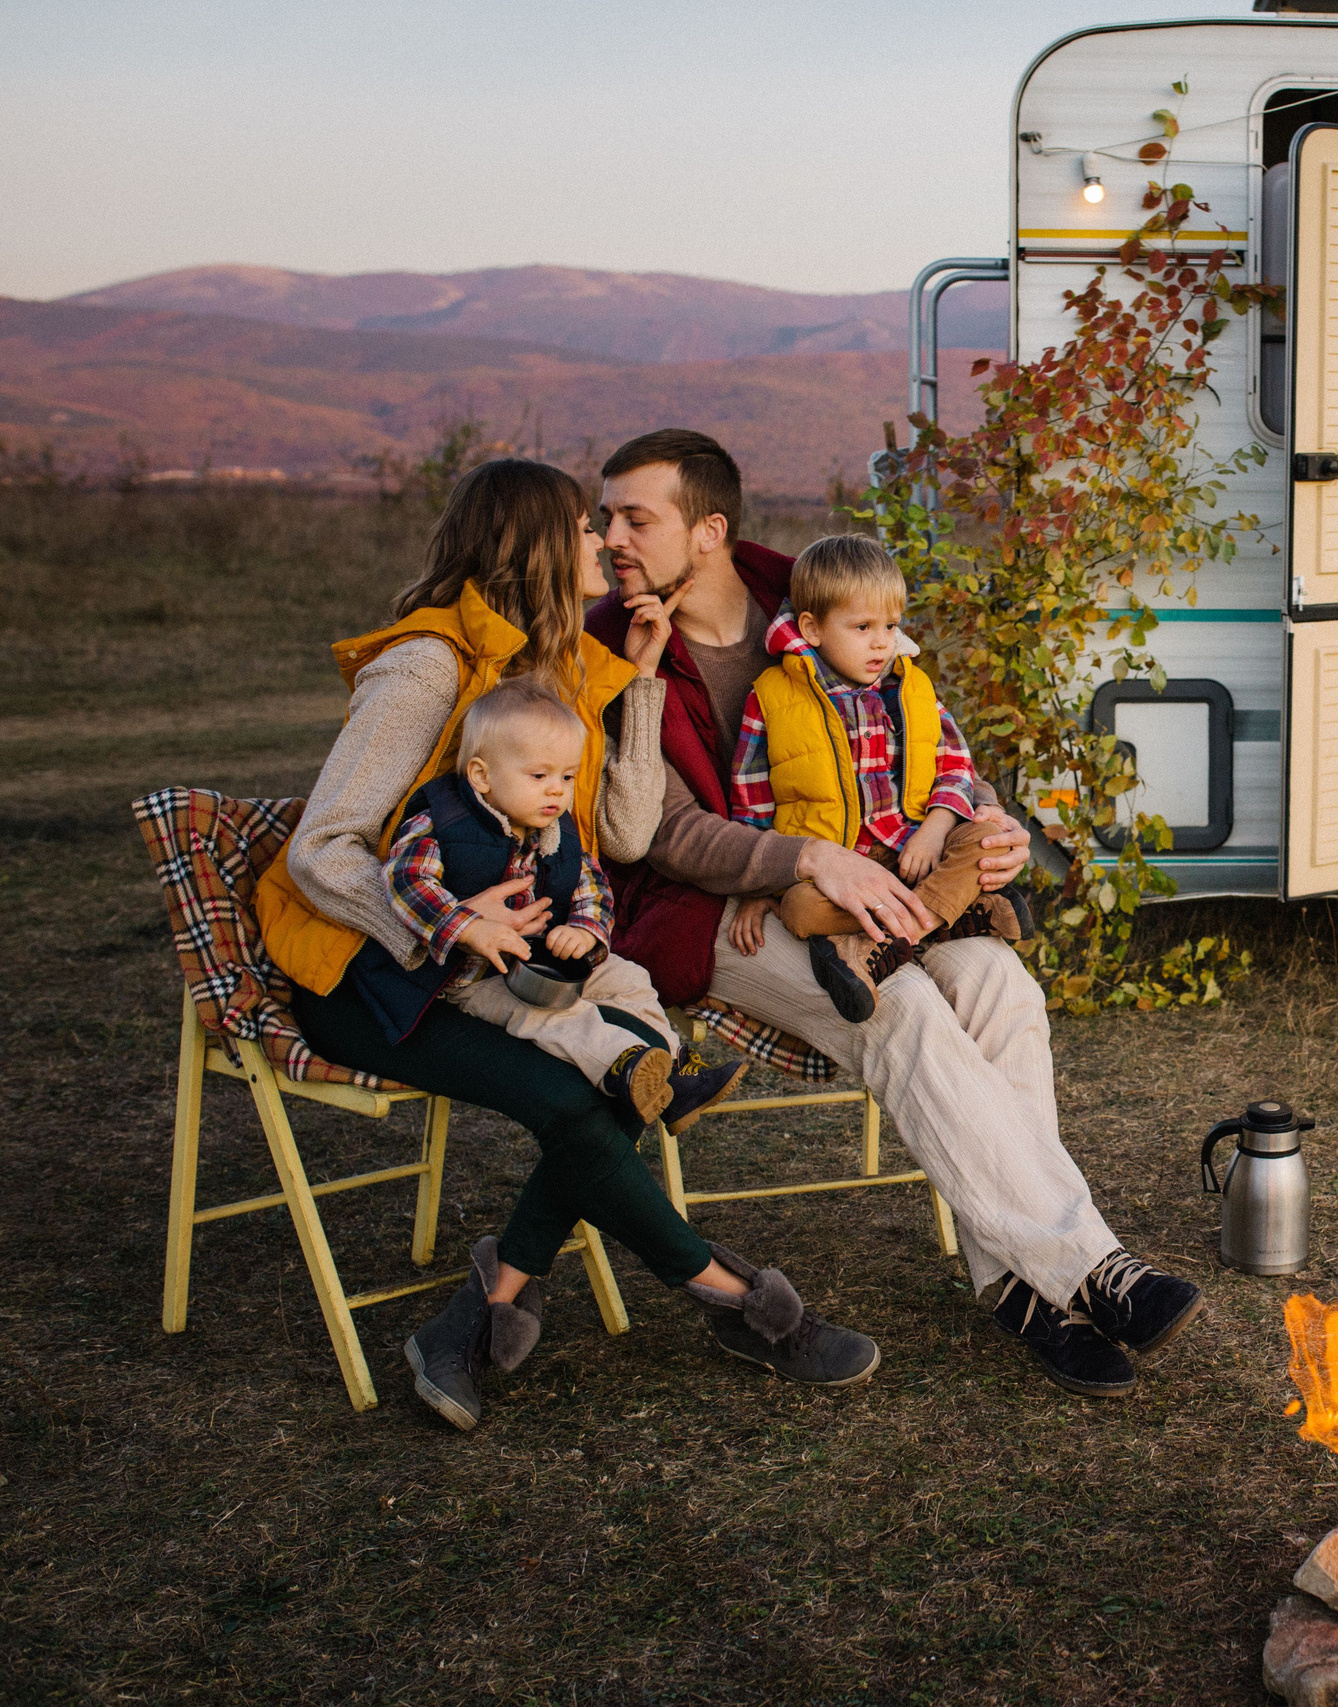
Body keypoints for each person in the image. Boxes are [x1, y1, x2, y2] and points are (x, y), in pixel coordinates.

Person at [258, 457, 878, 1433]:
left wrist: (634, 689)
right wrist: (458, 933)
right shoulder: (428, 666)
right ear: (538, 548)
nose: (603, 542)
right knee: (581, 1095)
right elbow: (321, 851)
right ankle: (735, 1298)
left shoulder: (555, 675)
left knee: (611, 1074)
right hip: (372, 972)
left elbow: (623, 836)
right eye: (585, 529)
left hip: (509, 966)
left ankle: (488, 1303)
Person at [586, 429, 1202, 1401]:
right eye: (605, 516)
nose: (610, 535)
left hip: (887, 879)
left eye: (634, 517)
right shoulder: (614, 645)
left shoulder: (812, 592)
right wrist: (795, 860)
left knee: (999, 981)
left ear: (707, 531)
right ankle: (1090, 1268)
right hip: (723, 910)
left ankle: (1021, 1287)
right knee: (902, 1006)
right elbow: (656, 832)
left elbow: (918, 725)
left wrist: (982, 814)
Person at [360, 675, 748, 1131]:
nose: (556, 791)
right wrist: (468, 927)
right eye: (539, 776)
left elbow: (593, 888)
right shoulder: (442, 824)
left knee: (630, 977)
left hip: (546, 965)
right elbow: (406, 881)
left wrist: (584, 930)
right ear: (482, 776)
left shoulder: (556, 832)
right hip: (474, 979)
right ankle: (624, 1069)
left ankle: (676, 1070)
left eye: (567, 777)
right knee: (552, 1016)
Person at [728, 534, 1023, 1027]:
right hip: (839, 873)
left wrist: (935, 826)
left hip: (916, 852)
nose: (882, 641)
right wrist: (758, 887)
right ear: (812, 627)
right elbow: (751, 799)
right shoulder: (772, 696)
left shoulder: (912, 686)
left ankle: (898, 932)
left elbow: (955, 765)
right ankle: (950, 915)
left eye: (890, 625)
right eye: (862, 626)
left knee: (990, 838)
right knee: (799, 909)